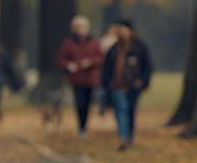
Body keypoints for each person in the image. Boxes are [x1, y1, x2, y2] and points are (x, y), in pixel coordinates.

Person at [101, 19, 152, 150]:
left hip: (133, 87)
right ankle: (123, 137)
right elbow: (106, 67)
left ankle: (129, 137)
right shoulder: (114, 48)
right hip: (116, 86)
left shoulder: (139, 47)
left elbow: (147, 66)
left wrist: (142, 81)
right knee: (121, 110)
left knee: (130, 110)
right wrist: (107, 82)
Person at [56, 15, 104, 138]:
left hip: (90, 78)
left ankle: (84, 126)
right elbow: (61, 59)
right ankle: (81, 126)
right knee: (79, 103)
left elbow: (100, 58)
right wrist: (69, 65)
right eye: (78, 27)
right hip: (76, 78)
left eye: (83, 26)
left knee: (88, 104)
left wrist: (90, 62)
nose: (81, 29)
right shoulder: (69, 42)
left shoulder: (94, 42)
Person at [96, 23, 119, 118]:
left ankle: (114, 111)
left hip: (115, 71)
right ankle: (102, 111)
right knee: (102, 92)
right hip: (104, 70)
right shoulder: (103, 41)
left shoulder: (119, 42)